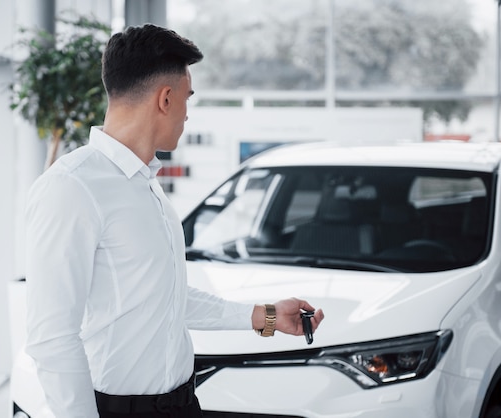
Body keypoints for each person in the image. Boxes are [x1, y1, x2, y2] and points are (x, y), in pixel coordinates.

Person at [24, 23, 325, 418]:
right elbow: (51, 337)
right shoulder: (72, 187)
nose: (187, 114)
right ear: (166, 99)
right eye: (188, 98)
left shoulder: (146, 185)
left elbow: (165, 298)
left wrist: (267, 317)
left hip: (183, 404)